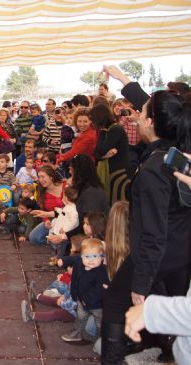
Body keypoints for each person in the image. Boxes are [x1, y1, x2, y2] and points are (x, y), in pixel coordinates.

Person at [97, 86, 191, 363]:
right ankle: (164, 350)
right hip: (181, 252)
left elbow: (152, 233)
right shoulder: (178, 153)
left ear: (150, 123)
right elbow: (165, 109)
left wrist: (140, 280)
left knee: (115, 304)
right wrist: (124, 80)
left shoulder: (153, 170)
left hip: (158, 253)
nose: (136, 116)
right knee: (170, 302)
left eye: (141, 113)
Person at [59, 238, 109, 343]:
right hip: (81, 301)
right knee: (80, 318)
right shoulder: (80, 266)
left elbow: (100, 289)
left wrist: (86, 299)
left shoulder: (103, 271)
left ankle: (101, 338)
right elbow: (75, 281)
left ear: (102, 257)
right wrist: (74, 294)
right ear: (81, 257)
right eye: (87, 256)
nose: (91, 260)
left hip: (98, 304)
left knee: (100, 321)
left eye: (95, 256)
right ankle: (77, 332)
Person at [91, 104, 131, 205]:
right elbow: (96, 153)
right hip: (111, 171)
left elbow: (101, 150)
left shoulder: (115, 130)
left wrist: (102, 155)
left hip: (119, 173)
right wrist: (103, 156)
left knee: (117, 204)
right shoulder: (106, 131)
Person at [28, 165, 67, 246]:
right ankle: (52, 241)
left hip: (68, 219)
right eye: (39, 177)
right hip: (53, 220)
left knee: (57, 244)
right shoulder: (42, 192)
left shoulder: (65, 185)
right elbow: (44, 211)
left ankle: (58, 242)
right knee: (33, 237)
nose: (40, 180)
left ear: (51, 177)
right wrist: (46, 221)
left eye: (43, 177)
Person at [46, 186, 79, 260]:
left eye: (63, 195)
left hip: (64, 232)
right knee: (58, 246)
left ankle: (60, 259)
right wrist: (58, 210)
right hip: (60, 231)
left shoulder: (73, 209)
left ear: (67, 197)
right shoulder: (68, 206)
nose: (62, 196)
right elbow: (64, 213)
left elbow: (74, 222)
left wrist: (65, 229)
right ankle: (57, 256)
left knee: (61, 247)